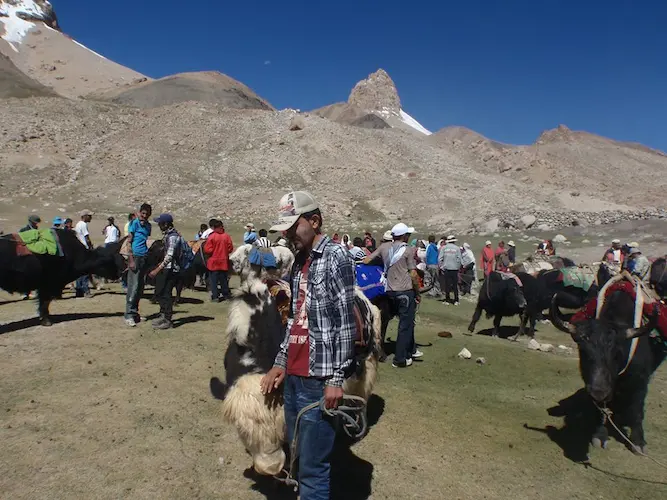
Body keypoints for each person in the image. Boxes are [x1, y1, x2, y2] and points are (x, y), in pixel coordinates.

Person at [259, 190, 356, 499]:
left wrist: (336, 379)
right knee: (298, 455)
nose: (287, 234)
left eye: (292, 226)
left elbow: (344, 323)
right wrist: (280, 361)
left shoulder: (336, 256)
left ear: (314, 221)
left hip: (319, 380)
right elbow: (296, 318)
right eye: (284, 228)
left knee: (314, 470)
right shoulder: (300, 261)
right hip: (295, 375)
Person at [366, 222, 422, 368]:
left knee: (385, 322)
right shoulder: (408, 250)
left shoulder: (384, 247)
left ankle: (408, 351)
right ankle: (400, 359)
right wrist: (417, 292)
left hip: (389, 292)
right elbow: (413, 274)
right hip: (405, 291)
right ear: (404, 236)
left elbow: (367, 259)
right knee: (405, 325)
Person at [148, 214, 181, 329]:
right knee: (161, 292)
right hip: (167, 268)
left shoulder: (172, 237)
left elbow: (169, 256)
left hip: (171, 270)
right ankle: (163, 315)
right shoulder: (169, 235)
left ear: (166, 224)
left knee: (166, 294)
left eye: (160, 223)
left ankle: (168, 320)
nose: (159, 225)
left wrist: (157, 269)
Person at [125, 203, 152, 327]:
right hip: (135, 256)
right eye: (143, 213)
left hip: (144, 257)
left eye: (147, 214)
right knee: (133, 286)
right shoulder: (134, 223)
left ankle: (135, 313)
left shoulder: (148, 226)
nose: (144, 216)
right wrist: (130, 259)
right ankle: (129, 315)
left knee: (140, 287)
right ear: (139, 212)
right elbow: (129, 242)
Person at [204, 220, 234, 302]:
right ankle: (226, 295)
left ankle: (215, 296)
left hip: (213, 261)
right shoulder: (226, 236)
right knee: (224, 280)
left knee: (213, 281)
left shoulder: (212, 236)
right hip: (223, 261)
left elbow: (207, 249)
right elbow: (230, 248)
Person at [74, 210, 94, 298]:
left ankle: (79, 291)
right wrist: (91, 248)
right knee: (86, 270)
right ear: (85, 216)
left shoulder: (78, 224)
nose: (91, 217)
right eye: (89, 216)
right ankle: (86, 291)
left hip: (78, 250)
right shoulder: (83, 224)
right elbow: (87, 238)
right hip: (84, 249)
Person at [439, 235, 462, 305]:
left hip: (446, 268)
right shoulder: (457, 248)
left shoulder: (444, 248)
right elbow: (459, 259)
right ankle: (456, 300)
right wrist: (457, 267)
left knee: (447, 285)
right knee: (455, 285)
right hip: (454, 269)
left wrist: (441, 267)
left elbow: (440, 258)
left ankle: (447, 299)